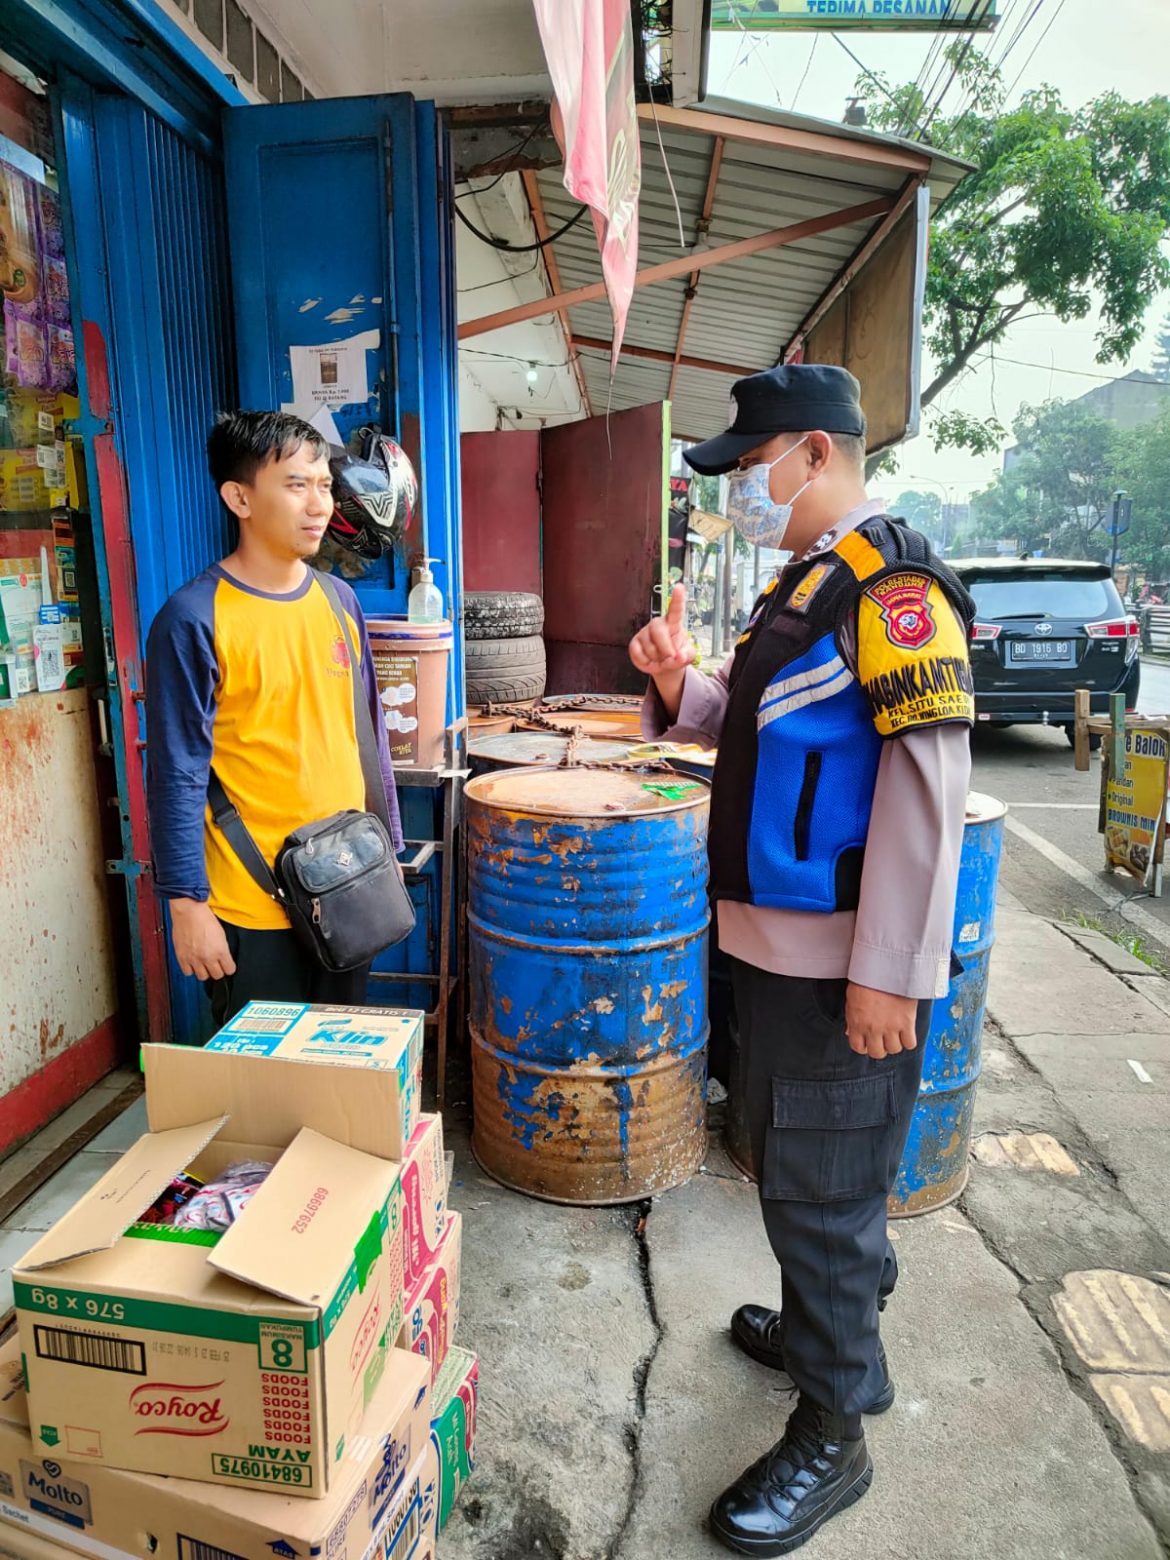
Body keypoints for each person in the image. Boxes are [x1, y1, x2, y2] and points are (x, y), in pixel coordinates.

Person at [629, 365, 975, 1556]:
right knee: (795, 1163)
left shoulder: (895, 594)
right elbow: (769, 725)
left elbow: (928, 796)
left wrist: (890, 969)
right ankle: (825, 1315)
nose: (745, 495)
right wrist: (681, 683)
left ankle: (838, 1428)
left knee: (823, 1186)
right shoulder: (810, 584)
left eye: (756, 468)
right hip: (775, 947)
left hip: (842, 963)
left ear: (816, 453)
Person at [145, 410, 405, 1027]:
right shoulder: (193, 618)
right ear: (238, 497)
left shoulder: (338, 600)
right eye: (295, 485)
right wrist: (186, 905)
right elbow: (177, 775)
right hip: (252, 902)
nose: (319, 504)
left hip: (346, 886)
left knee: (335, 1076)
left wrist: (388, 845)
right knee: (267, 1098)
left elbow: (365, 734)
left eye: (323, 484)